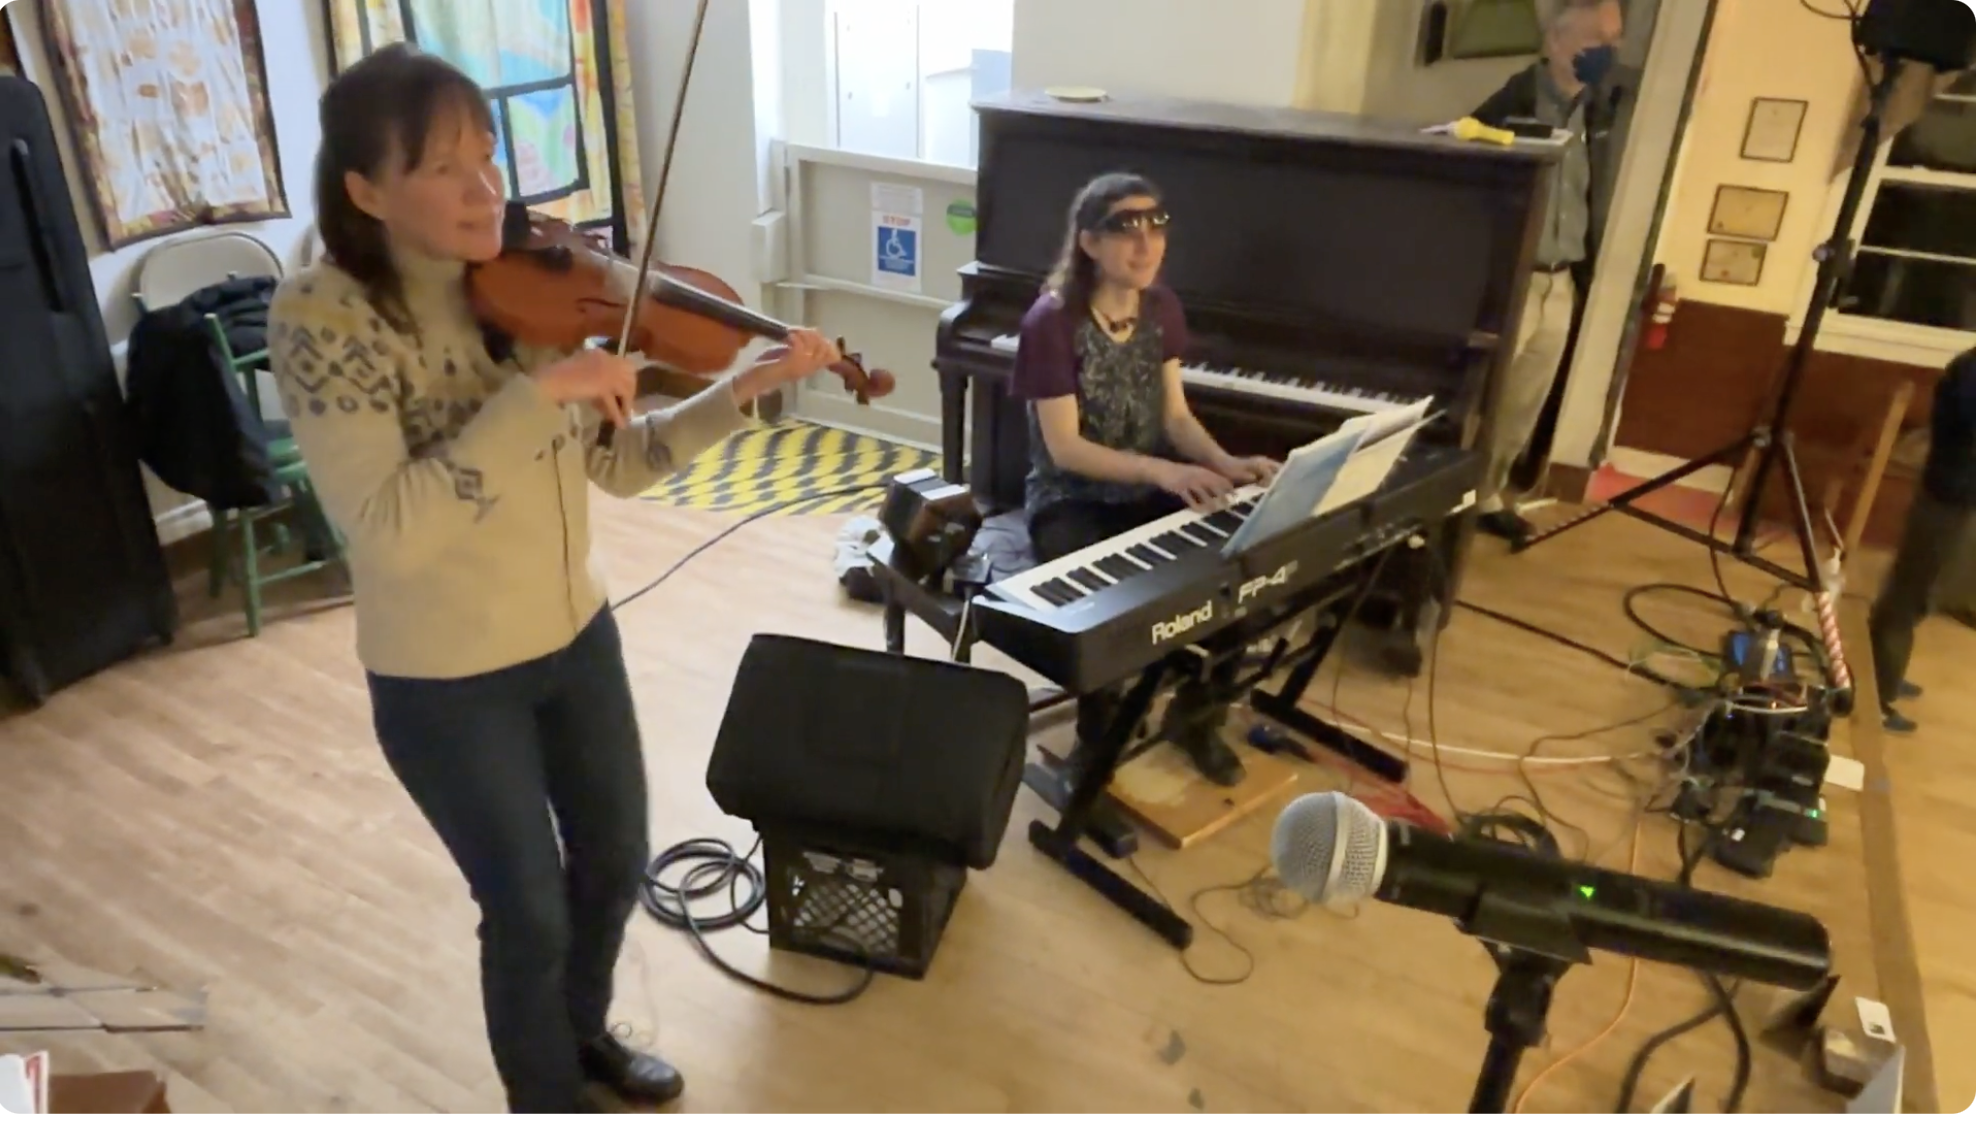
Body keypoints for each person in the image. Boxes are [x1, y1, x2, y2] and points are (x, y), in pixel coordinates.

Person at [268, 44, 842, 1113]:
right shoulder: (324, 316)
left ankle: (580, 1036)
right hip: (445, 679)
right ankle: (547, 1096)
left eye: (488, 157)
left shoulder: (531, 298)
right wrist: (536, 400)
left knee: (617, 859)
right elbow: (386, 532)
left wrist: (741, 388)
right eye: (444, 168)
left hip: (575, 635)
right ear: (364, 190)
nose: (489, 190)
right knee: (526, 909)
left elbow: (620, 465)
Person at [1007, 172, 1280, 788]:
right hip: (1069, 501)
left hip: (1147, 491)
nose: (1146, 244)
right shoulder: (1049, 322)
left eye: (1156, 227)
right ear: (1089, 243)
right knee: (1113, 618)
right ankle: (1093, 751)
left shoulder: (1161, 307)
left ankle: (1196, 715)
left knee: (1235, 578)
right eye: (1126, 230)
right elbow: (1067, 449)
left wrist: (1225, 464)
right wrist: (1165, 470)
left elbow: (1176, 417)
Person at [1468, 0, 1626, 544]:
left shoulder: (1601, 108)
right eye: (1597, 38)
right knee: (1484, 398)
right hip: (1516, 279)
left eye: (1615, 37)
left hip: (1562, 281)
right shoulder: (1512, 103)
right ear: (1558, 43)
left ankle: (1487, 494)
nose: (1610, 50)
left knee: (1523, 405)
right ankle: (1452, 499)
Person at [1869, 347, 1974, 734]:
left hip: (1958, 495)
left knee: (1922, 591)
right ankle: (1874, 695)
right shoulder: (1972, 371)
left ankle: (1885, 675)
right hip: (1949, 496)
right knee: (1908, 592)